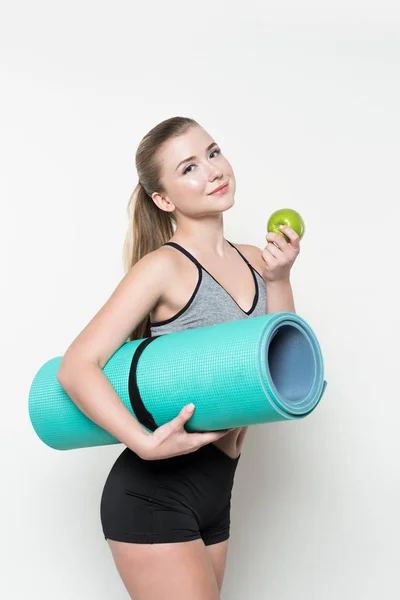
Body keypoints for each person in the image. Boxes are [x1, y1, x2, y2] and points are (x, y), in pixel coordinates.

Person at [57, 116, 300, 599]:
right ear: (163, 200)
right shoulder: (164, 266)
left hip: (217, 489)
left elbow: (283, 377)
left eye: (213, 153)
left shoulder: (256, 259)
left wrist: (279, 279)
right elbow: (76, 367)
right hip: (153, 492)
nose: (213, 171)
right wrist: (143, 443)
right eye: (189, 167)